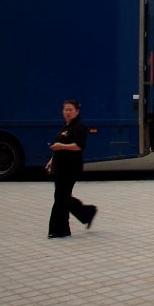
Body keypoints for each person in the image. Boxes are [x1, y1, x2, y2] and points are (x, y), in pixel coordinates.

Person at [46, 99, 97, 238]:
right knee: (62, 196)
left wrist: (61, 147)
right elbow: (59, 146)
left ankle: (59, 230)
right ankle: (86, 213)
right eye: (65, 109)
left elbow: (78, 146)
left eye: (70, 110)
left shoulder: (79, 127)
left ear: (77, 111)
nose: (67, 112)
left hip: (71, 167)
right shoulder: (65, 127)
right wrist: (52, 160)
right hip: (60, 166)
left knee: (61, 197)